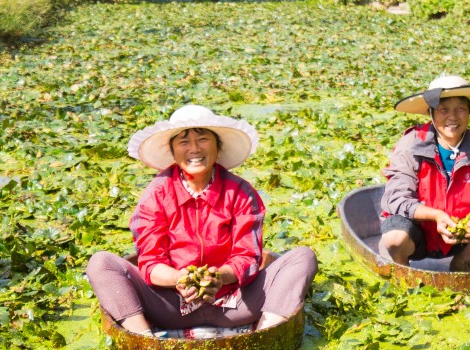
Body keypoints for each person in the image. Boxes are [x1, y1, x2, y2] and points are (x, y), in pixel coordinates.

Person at [86, 105, 317, 337]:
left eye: (203, 139)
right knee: (101, 263)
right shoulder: (157, 193)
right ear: (173, 152)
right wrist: (180, 278)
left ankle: (266, 333)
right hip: (171, 306)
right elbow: (150, 262)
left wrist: (218, 277)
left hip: (235, 304)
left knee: (303, 257)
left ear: (217, 147)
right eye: (184, 142)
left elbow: (247, 258)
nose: (194, 149)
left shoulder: (241, 192)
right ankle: (144, 338)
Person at [379, 75, 470, 271]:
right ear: (431, 113)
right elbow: (395, 198)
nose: (452, 117)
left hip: (464, 238)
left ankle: (462, 260)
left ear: (469, 112)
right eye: (443, 109)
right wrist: (436, 216)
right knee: (395, 238)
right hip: (419, 235)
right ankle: (403, 270)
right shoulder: (411, 144)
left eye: (460, 109)